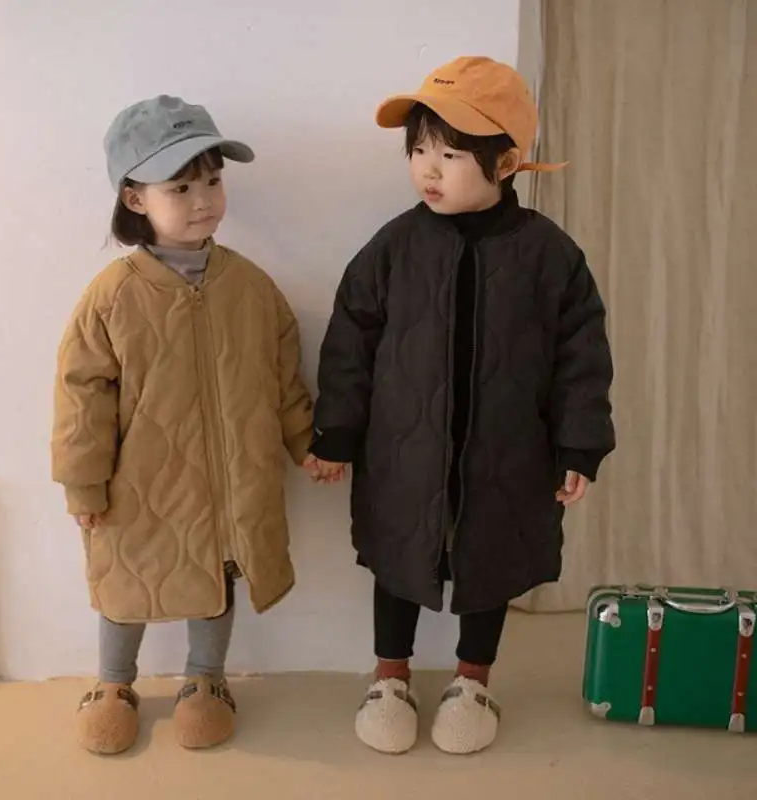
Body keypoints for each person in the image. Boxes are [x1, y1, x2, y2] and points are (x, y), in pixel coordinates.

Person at [308, 57, 616, 755]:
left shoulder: (549, 255)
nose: (429, 169)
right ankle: (390, 678)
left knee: (491, 560)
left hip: (510, 452)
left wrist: (580, 445)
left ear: (504, 162)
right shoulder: (394, 246)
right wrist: (337, 433)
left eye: (450, 154)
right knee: (397, 554)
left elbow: (583, 356)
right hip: (403, 451)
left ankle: (473, 681)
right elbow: (350, 341)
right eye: (419, 149)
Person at [51, 95, 317, 755]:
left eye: (213, 181)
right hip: (139, 485)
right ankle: (114, 683)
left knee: (217, 575)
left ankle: (206, 679)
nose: (204, 200)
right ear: (135, 198)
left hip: (230, 484)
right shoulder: (112, 295)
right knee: (127, 579)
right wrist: (83, 483)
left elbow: (283, 374)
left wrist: (308, 443)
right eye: (180, 187)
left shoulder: (251, 286)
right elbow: (81, 396)